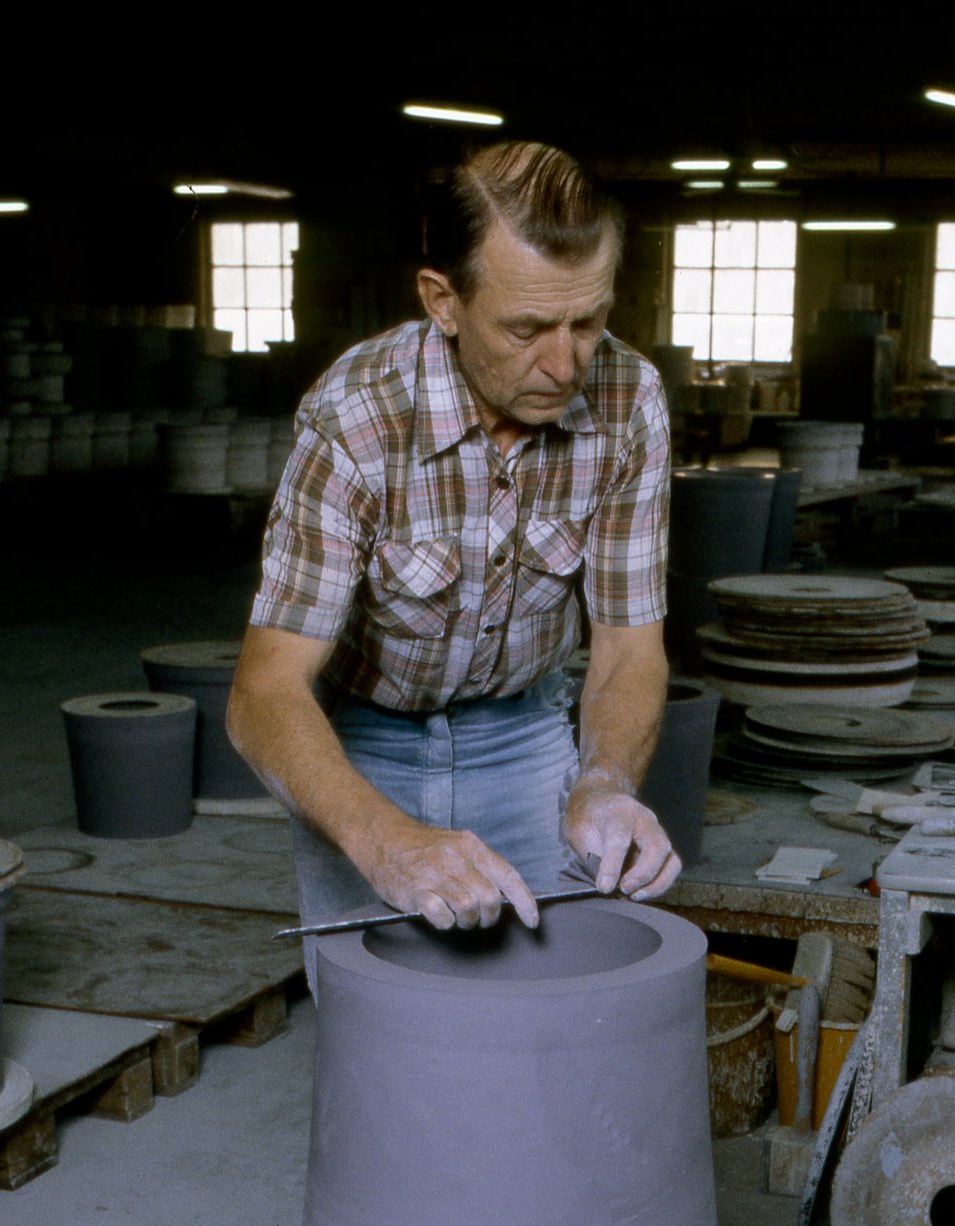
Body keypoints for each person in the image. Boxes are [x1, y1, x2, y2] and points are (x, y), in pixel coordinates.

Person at [227, 140, 681, 962]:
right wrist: (387, 842)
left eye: (589, 321)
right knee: (383, 1030)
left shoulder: (630, 402)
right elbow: (264, 691)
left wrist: (603, 782)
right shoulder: (358, 415)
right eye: (526, 328)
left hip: (526, 730)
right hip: (365, 746)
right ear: (443, 300)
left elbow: (627, 650)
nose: (564, 363)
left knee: (554, 1008)